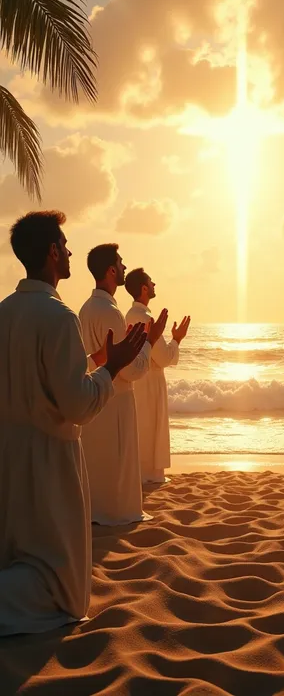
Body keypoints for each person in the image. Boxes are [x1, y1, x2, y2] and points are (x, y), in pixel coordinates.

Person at [0, 211, 147, 636]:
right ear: (50, 253)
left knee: (19, 552)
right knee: (58, 584)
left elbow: (37, 376)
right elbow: (77, 405)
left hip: (9, 457)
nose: (68, 253)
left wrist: (94, 361)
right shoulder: (58, 315)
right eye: (63, 246)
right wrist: (111, 369)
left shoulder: (6, 312)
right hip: (48, 461)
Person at [79, 244, 168, 526]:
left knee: (98, 459)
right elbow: (129, 370)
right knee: (118, 461)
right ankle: (117, 512)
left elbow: (90, 360)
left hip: (94, 396)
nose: (124, 267)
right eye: (120, 262)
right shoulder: (111, 312)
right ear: (110, 270)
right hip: (115, 397)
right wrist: (150, 340)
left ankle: (98, 511)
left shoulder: (85, 309)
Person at [125, 268, 190, 483]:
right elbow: (163, 357)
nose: (154, 286)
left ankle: (140, 475)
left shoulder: (129, 315)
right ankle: (151, 477)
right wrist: (177, 339)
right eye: (151, 282)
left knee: (140, 427)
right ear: (144, 288)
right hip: (150, 379)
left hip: (134, 378)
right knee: (152, 426)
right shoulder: (146, 318)